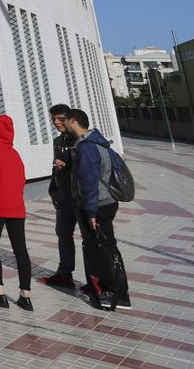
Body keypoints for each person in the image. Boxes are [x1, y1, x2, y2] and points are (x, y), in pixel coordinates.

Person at [66, 108, 130, 311]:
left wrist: (91, 212)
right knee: (103, 247)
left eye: (65, 121)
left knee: (104, 250)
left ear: (73, 121)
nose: (63, 124)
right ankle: (106, 288)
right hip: (106, 202)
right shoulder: (98, 142)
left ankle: (114, 293)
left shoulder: (87, 148)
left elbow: (89, 182)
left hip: (98, 206)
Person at [0, 114, 33, 310]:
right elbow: (22, 180)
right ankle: (25, 296)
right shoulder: (14, 153)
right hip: (16, 207)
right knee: (20, 250)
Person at [41, 103, 80, 290]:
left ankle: (97, 279)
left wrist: (68, 165)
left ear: (69, 118)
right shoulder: (58, 142)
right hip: (63, 196)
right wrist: (52, 189)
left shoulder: (80, 140)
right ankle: (65, 273)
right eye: (53, 119)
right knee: (63, 233)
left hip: (80, 197)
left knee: (90, 238)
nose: (56, 122)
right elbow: (55, 167)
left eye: (59, 118)